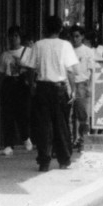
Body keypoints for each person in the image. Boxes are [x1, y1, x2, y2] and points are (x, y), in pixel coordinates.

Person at [21, 16, 79, 171]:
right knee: (62, 125)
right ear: (60, 29)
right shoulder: (65, 45)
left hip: (42, 88)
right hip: (59, 88)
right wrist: (73, 90)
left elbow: (31, 68)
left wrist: (32, 84)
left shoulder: (38, 45)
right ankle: (64, 159)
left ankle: (44, 160)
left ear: (45, 28)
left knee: (43, 126)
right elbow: (71, 71)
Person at [0, 25, 33, 156]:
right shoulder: (4, 55)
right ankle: (8, 144)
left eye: (16, 36)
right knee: (8, 114)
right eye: (11, 36)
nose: (13, 39)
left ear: (20, 37)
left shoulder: (27, 52)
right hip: (9, 84)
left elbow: (33, 68)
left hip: (22, 84)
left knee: (24, 112)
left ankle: (25, 137)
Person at [70, 25, 96, 154]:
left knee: (82, 114)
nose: (75, 39)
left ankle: (82, 139)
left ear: (82, 37)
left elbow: (92, 70)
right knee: (70, 115)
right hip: (70, 83)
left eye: (77, 36)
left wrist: (90, 86)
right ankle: (72, 140)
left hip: (82, 83)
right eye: (73, 36)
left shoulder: (88, 51)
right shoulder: (68, 50)